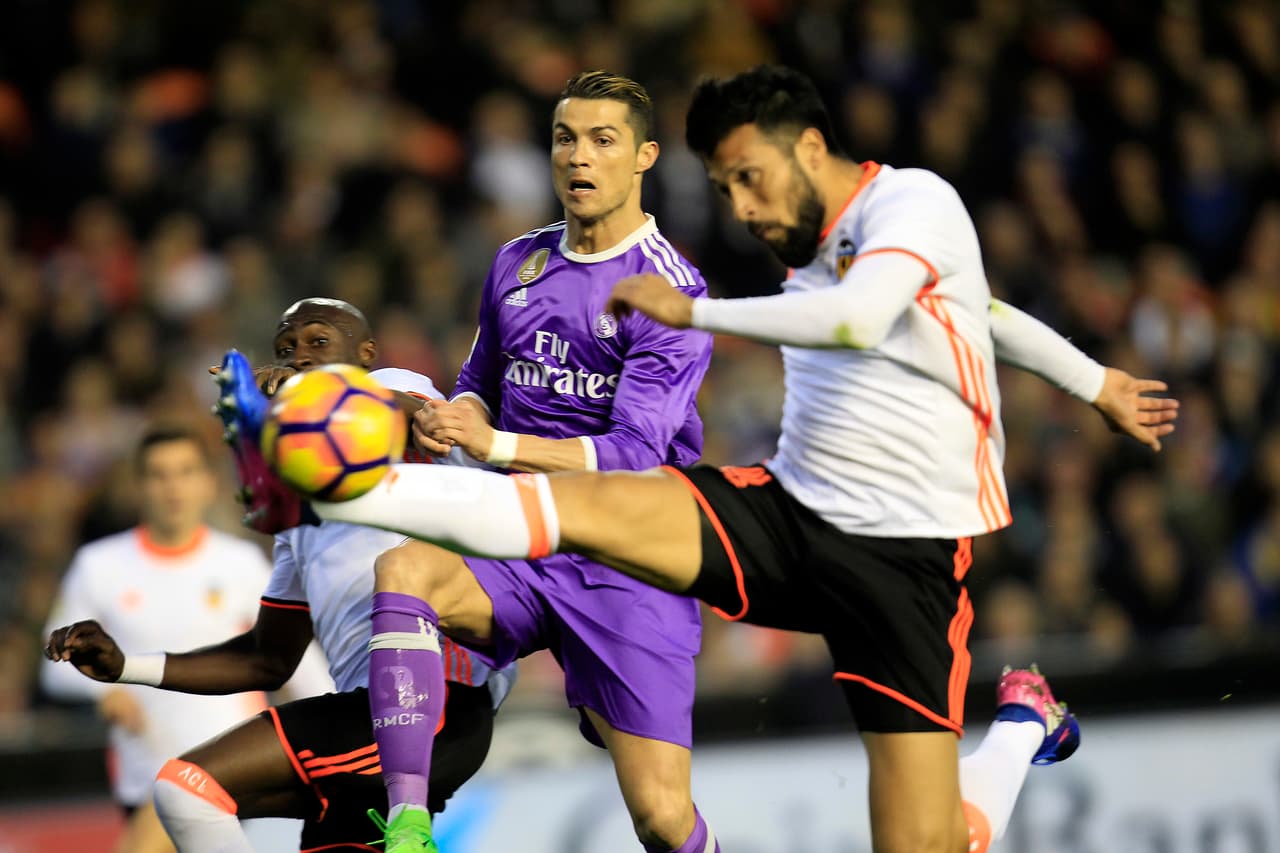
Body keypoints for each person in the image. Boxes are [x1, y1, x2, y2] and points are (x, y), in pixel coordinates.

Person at [301, 66, 1181, 853]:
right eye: (727, 190)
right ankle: (407, 819)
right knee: (419, 565)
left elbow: (863, 320)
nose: (745, 210)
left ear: (805, 147)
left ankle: (1022, 722)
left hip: (903, 553)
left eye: (748, 181)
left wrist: (701, 315)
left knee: (911, 840)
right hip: (788, 507)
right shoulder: (548, 263)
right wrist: (1095, 378)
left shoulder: (908, 207)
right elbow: (979, 309)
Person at [359, 70, 718, 853]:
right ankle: (409, 825)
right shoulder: (516, 263)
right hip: (522, 536)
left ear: (645, 157)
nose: (578, 157)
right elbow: (480, 384)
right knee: (402, 572)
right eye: (565, 137)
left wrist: (498, 445)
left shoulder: (670, 291)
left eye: (602, 140)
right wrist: (457, 420)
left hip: (628, 556)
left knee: (661, 818)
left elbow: (631, 455)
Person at [45, 298, 514, 853]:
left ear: (365, 355)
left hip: (430, 704)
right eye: (287, 350)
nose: (300, 359)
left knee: (187, 789)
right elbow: (266, 659)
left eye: (319, 342)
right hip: (368, 723)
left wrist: (305, 396)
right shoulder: (298, 519)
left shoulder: (398, 393)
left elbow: (406, 421)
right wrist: (129, 666)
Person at [40, 424, 329, 853]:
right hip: (142, 771)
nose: (173, 487)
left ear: (208, 482)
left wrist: (343, 728)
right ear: (138, 485)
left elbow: (299, 665)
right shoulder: (98, 565)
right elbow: (54, 665)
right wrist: (101, 692)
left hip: (229, 768)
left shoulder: (241, 563)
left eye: (186, 471)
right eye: (158, 474)